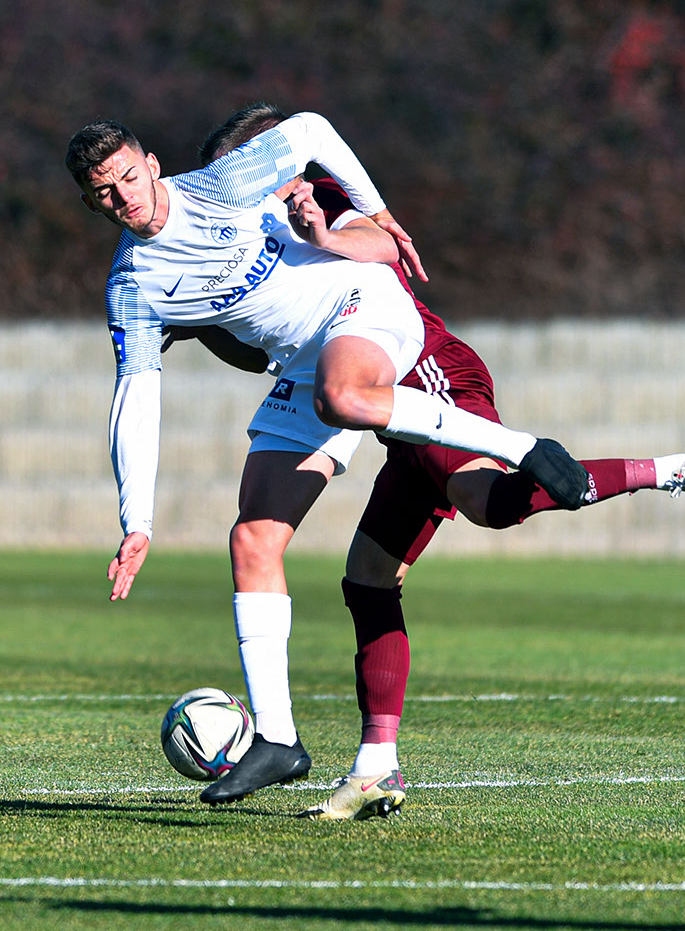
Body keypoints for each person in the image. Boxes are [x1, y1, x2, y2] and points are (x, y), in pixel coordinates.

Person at [169, 116, 685, 818]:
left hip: (429, 372)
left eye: (238, 172)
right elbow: (259, 347)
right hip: (387, 413)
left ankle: (677, 468)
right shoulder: (245, 237)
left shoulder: (322, 195)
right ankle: (376, 768)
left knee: (488, 502)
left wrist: (322, 232)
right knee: (368, 578)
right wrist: (195, 322)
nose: (227, 190)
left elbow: (383, 246)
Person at [65, 104, 594, 803]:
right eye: (104, 193)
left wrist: (378, 215)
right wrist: (138, 521)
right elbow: (136, 394)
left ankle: (522, 447)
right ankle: (278, 740)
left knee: (342, 396)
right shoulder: (133, 286)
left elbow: (311, 129)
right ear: (91, 203)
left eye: (129, 177)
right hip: (304, 361)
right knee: (254, 539)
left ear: (152, 164)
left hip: (361, 302)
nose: (124, 198)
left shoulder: (221, 184)